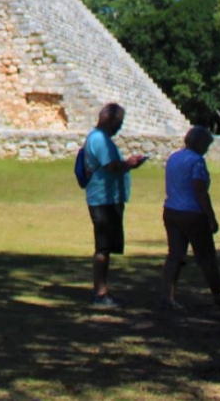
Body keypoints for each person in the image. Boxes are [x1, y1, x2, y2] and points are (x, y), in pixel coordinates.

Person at [162, 125, 220, 310]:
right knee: (206, 256)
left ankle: (168, 296)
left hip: (171, 209)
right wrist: (211, 217)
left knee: (175, 255)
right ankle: (219, 296)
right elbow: (200, 190)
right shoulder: (197, 161)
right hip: (192, 213)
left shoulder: (174, 157)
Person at [82, 102, 147, 308]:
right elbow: (111, 166)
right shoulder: (100, 139)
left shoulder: (99, 138)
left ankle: (102, 290)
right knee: (103, 247)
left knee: (106, 246)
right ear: (110, 120)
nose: (120, 127)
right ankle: (100, 294)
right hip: (104, 200)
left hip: (107, 198)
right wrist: (130, 164)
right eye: (119, 122)